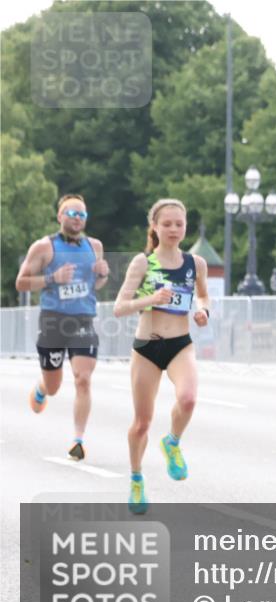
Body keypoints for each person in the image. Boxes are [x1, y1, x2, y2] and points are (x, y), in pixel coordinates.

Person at [113, 199, 209, 514]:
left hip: (180, 343)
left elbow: (203, 295)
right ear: (155, 226)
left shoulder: (196, 263)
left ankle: (172, 442)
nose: (173, 229)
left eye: (179, 224)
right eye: (166, 224)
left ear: (185, 227)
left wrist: (202, 310)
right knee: (141, 423)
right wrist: (151, 298)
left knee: (189, 399)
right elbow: (119, 307)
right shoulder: (143, 263)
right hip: (147, 347)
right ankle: (137, 477)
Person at [15, 194, 109, 461]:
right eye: (71, 213)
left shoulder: (95, 246)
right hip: (53, 320)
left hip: (83, 319)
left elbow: (97, 284)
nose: (77, 218)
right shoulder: (44, 248)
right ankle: (43, 387)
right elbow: (21, 283)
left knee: (83, 379)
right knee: (54, 386)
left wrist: (102, 274)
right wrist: (52, 278)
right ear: (60, 216)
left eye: (82, 215)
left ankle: (78, 440)